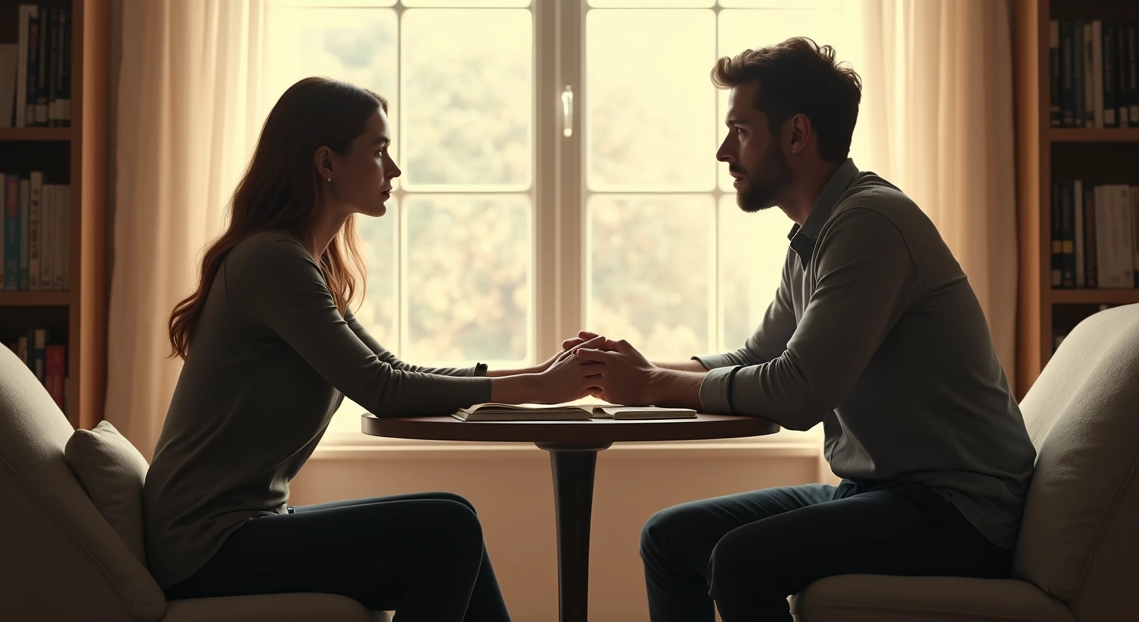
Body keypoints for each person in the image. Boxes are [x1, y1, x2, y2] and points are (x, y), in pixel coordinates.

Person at [563, 37, 1037, 621]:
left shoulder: (870, 224)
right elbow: (757, 355)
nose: (721, 151)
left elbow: (798, 390)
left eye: (739, 130)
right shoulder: (817, 235)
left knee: (741, 561)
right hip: (879, 492)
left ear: (795, 134)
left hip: (955, 510)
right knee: (671, 538)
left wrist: (653, 386)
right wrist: (637, 370)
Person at [144, 76, 605, 622]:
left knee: (453, 523)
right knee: (449, 526)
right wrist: (534, 388)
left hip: (239, 531)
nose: (394, 169)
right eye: (379, 150)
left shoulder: (304, 265)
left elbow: (389, 369)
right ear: (326, 162)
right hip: (208, 546)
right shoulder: (273, 262)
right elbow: (381, 390)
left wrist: (536, 374)